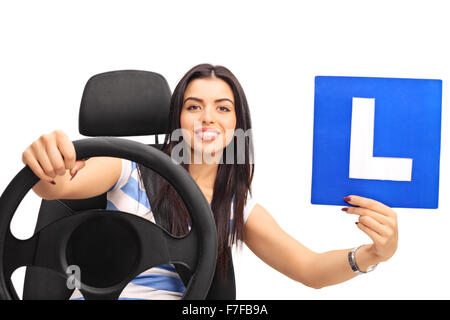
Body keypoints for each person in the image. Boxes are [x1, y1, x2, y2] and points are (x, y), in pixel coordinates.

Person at [22, 64, 398, 300]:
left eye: (222, 107)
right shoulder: (127, 168)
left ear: (237, 126)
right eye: (193, 106)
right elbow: (58, 187)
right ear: (177, 120)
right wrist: (49, 167)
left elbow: (310, 269)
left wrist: (372, 255)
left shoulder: (236, 208)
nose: (207, 118)